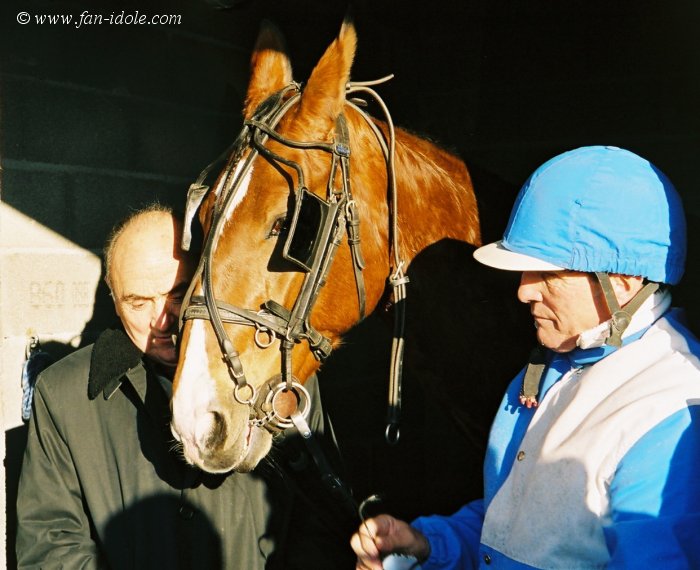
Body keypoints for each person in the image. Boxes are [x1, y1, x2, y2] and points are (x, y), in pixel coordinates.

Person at [351, 146, 700, 569]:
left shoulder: (672, 411)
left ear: (623, 281)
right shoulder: (550, 368)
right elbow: (521, 530)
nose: (523, 290)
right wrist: (428, 544)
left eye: (547, 273)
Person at [16, 204, 357, 569]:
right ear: (115, 303)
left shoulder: (282, 376)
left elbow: (322, 519)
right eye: (138, 302)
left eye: (178, 295)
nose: (162, 320)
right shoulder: (65, 395)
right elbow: (50, 545)